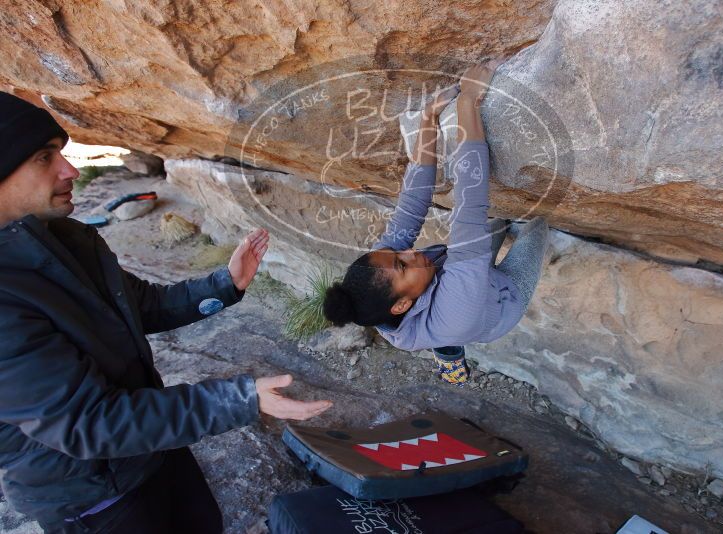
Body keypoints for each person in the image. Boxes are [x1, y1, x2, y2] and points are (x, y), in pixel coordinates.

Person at [0, 91, 333, 533]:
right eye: (45, 158)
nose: (70, 170)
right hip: (96, 497)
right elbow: (89, 422)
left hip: (156, 446)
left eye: (61, 152)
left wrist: (225, 285)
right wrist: (239, 401)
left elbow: (140, 305)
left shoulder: (63, 238)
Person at [323, 60, 550, 385]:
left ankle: (445, 344)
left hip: (449, 294)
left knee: (495, 225)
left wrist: (429, 119)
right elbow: (470, 203)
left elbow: (412, 204)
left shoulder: (381, 279)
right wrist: (468, 100)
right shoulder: (455, 308)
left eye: (397, 254)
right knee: (533, 225)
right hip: (500, 303)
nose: (409, 252)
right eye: (404, 265)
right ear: (402, 304)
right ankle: (448, 344)